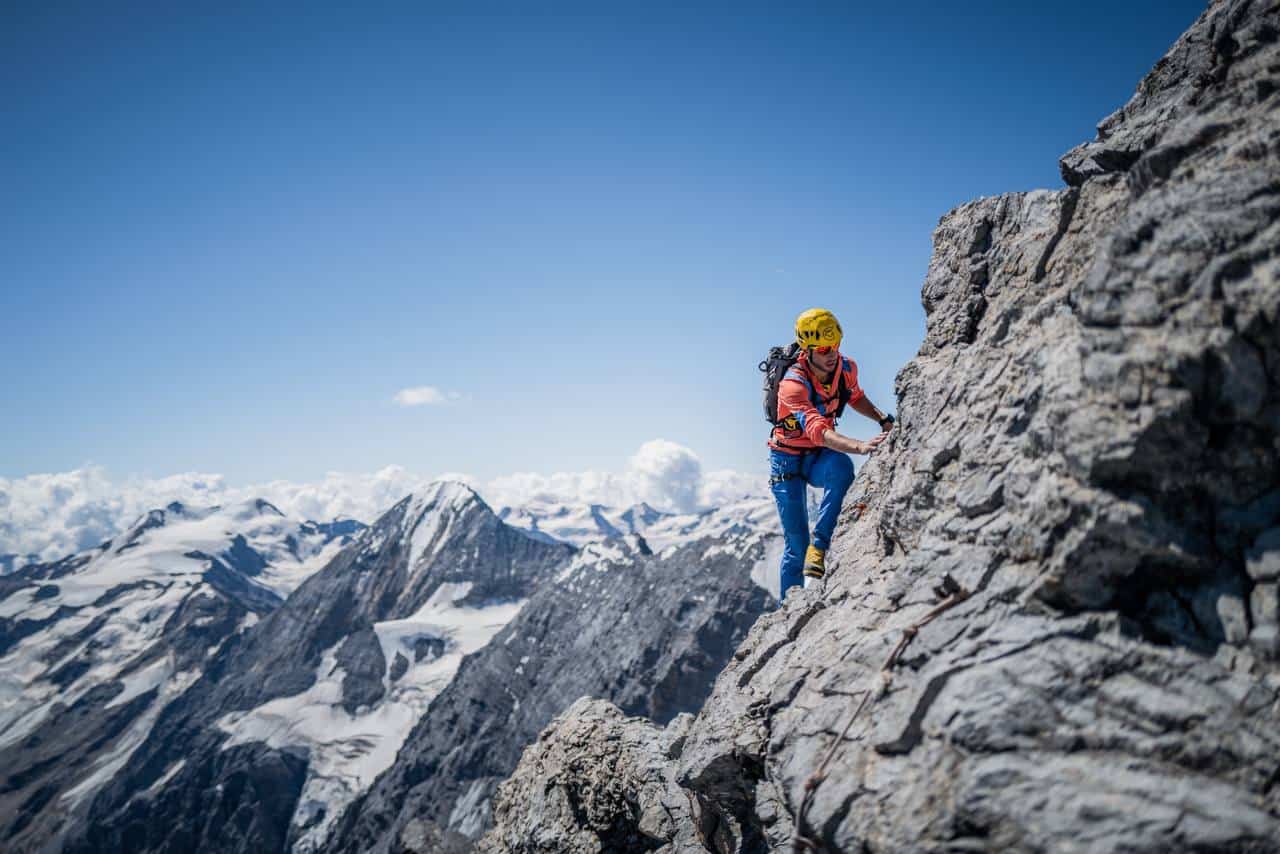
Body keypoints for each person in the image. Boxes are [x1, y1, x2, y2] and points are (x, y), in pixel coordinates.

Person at [769, 308, 892, 601]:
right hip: (785, 460)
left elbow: (855, 396)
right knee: (796, 544)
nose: (831, 353)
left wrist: (882, 419)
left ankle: (821, 547)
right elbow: (817, 430)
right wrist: (861, 446)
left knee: (841, 468)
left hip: (816, 456)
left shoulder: (846, 368)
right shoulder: (792, 384)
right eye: (823, 349)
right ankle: (788, 609)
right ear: (808, 350)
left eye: (835, 345)